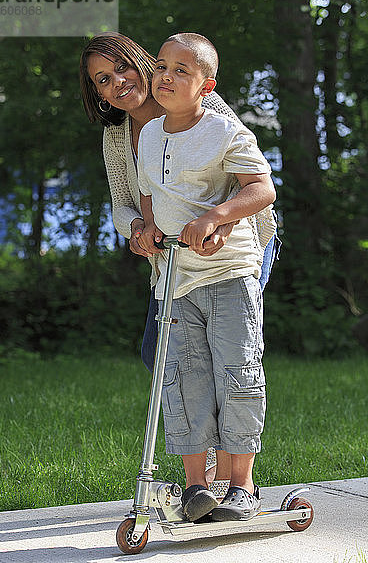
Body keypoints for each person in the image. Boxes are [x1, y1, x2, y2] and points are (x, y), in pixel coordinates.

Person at [80, 32, 254, 493]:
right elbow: (126, 201)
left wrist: (221, 225)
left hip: (236, 250)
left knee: (231, 360)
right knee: (162, 354)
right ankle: (204, 473)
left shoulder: (204, 110)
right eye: (103, 79)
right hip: (175, 260)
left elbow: (245, 180)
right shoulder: (119, 137)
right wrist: (137, 228)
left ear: (142, 62)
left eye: (122, 67)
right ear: (97, 93)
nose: (117, 82)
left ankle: (232, 478)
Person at [136, 32, 276, 522]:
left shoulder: (224, 131)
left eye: (181, 70)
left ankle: (241, 486)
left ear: (206, 84)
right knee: (182, 379)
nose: (165, 76)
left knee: (236, 373)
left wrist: (216, 217)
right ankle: (198, 486)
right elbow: (149, 192)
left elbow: (261, 189)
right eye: (160, 66)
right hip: (175, 278)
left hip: (228, 271)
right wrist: (148, 228)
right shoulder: (150, 134)